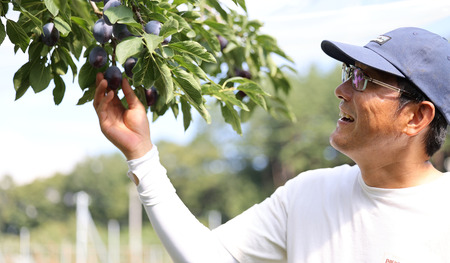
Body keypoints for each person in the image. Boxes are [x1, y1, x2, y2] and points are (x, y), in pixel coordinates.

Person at [93, 27, 450, 262]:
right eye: (348, 74)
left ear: (416, 117)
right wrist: (141, 154)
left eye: (363, 79)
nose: (341, 91)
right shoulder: (308, 194)